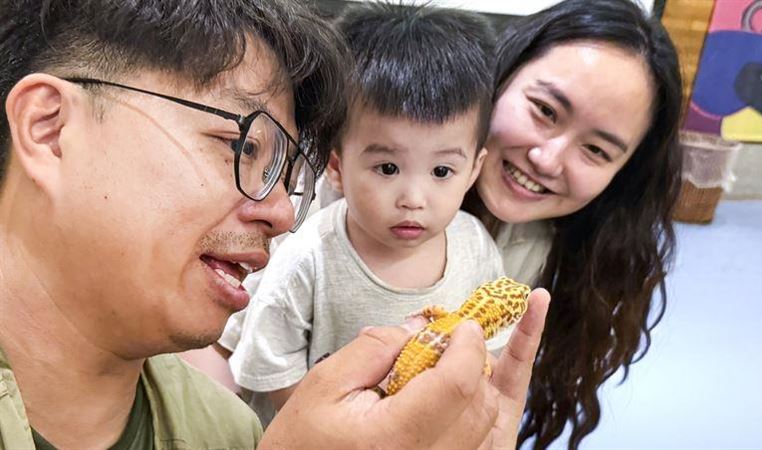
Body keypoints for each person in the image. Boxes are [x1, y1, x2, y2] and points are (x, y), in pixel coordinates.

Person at [0, 1, 550, 449]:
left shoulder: (232, 434)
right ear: (51, 129)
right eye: (240, 146)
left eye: (285, 176)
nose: (282, 214)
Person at [218, 2, 508, 425]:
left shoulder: (475, 247)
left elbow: (490, 350)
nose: (413, 197)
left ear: (473, 170)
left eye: (442, 171)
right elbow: (271, 367)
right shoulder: (310, 256)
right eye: (387, 168)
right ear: (336, 167)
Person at [459, 0, 683, 448]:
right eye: (544, 110)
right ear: (500, 76)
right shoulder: (346, 189)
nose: (547, 159)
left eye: (597, 151)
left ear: (623, 176)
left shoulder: (551, 260)